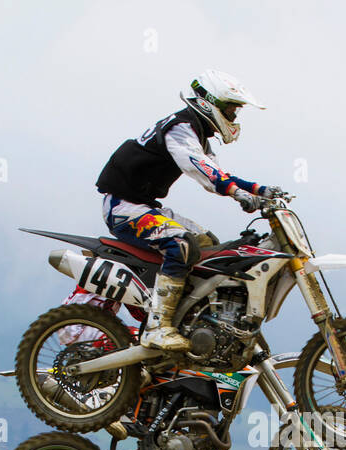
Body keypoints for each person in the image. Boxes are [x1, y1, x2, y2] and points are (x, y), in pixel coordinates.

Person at [95, 69, 286, 351]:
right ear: (210, 103)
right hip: (124, 207)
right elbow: (203, 171)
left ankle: (192, 319)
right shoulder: (180, 128)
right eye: (231, 110)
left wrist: (259, 190)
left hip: (144, 206)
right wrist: (238, 195)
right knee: (181, 245)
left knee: (211, 246)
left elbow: (219, 172)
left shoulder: (195, 132)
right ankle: (159, 326)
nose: (234, 117)